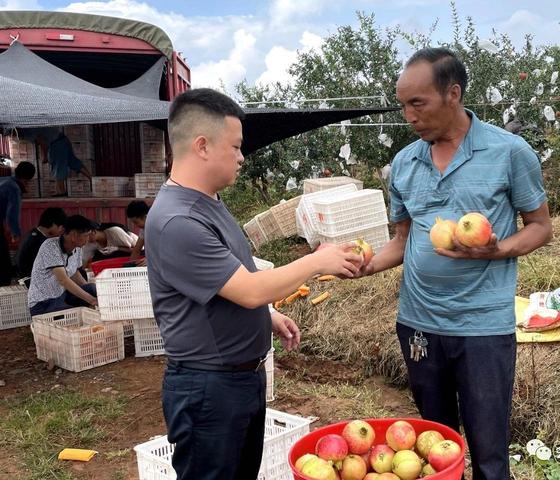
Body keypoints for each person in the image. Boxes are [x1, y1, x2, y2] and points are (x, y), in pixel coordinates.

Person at [145, 88, 363, 480]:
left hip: (239, 379)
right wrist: (316, 260)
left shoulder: (208, 202)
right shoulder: (178, 221)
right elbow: (247, 288)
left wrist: (267, 315)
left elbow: (231, 282)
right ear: (202, 146)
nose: (243, 157)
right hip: (208, 388)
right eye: (236, 146)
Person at [358, 48, 553, 480]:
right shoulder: (405, 164)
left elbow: (540, 226)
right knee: (434, 450)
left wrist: (497, 250)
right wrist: (365, 265)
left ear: (453, 94)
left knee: (488, 452)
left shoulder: (508, 152)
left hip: (482, 326)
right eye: (403, 104)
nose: (408, 115)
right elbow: (402, 241)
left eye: (417, 103)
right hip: (419, 324)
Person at [28, 214, 98, 316]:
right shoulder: (50, 246)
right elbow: (63, 280)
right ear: (74, 235)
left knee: (91, 288)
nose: (88, 239)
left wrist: (89, 292)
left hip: (62, 295)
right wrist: (91, 300)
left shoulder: (78, 248)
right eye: (86, 235)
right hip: (43, 303)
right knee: (74, 316)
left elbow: (74, 273)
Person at [0, 161, 36, 285]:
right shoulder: (14, 188)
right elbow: (12, 214)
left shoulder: (4, 180)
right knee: (4, 262)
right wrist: (16, 233)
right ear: (28, 179)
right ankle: (4, 286)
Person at [16, 207, 67, 279]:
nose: (60, 232)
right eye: (60, 228)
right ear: (53, 224)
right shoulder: (37, 241)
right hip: (29, 278)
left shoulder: (35, 234)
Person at [47, 129, 92, 196]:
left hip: (57, 143)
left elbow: (42, 142)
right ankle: (91, 179)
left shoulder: (30, 130)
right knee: (72, 161)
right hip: (64, 140)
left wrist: (45, 156)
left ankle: (62, 192)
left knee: (59, 166)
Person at [126, 200, 149, 266]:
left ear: (145, 216)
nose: (135, 225)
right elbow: (137, 250)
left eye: (136, 222)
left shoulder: (158, 227)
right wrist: (129, 266)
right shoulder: (143, 229)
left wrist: (151, 260)